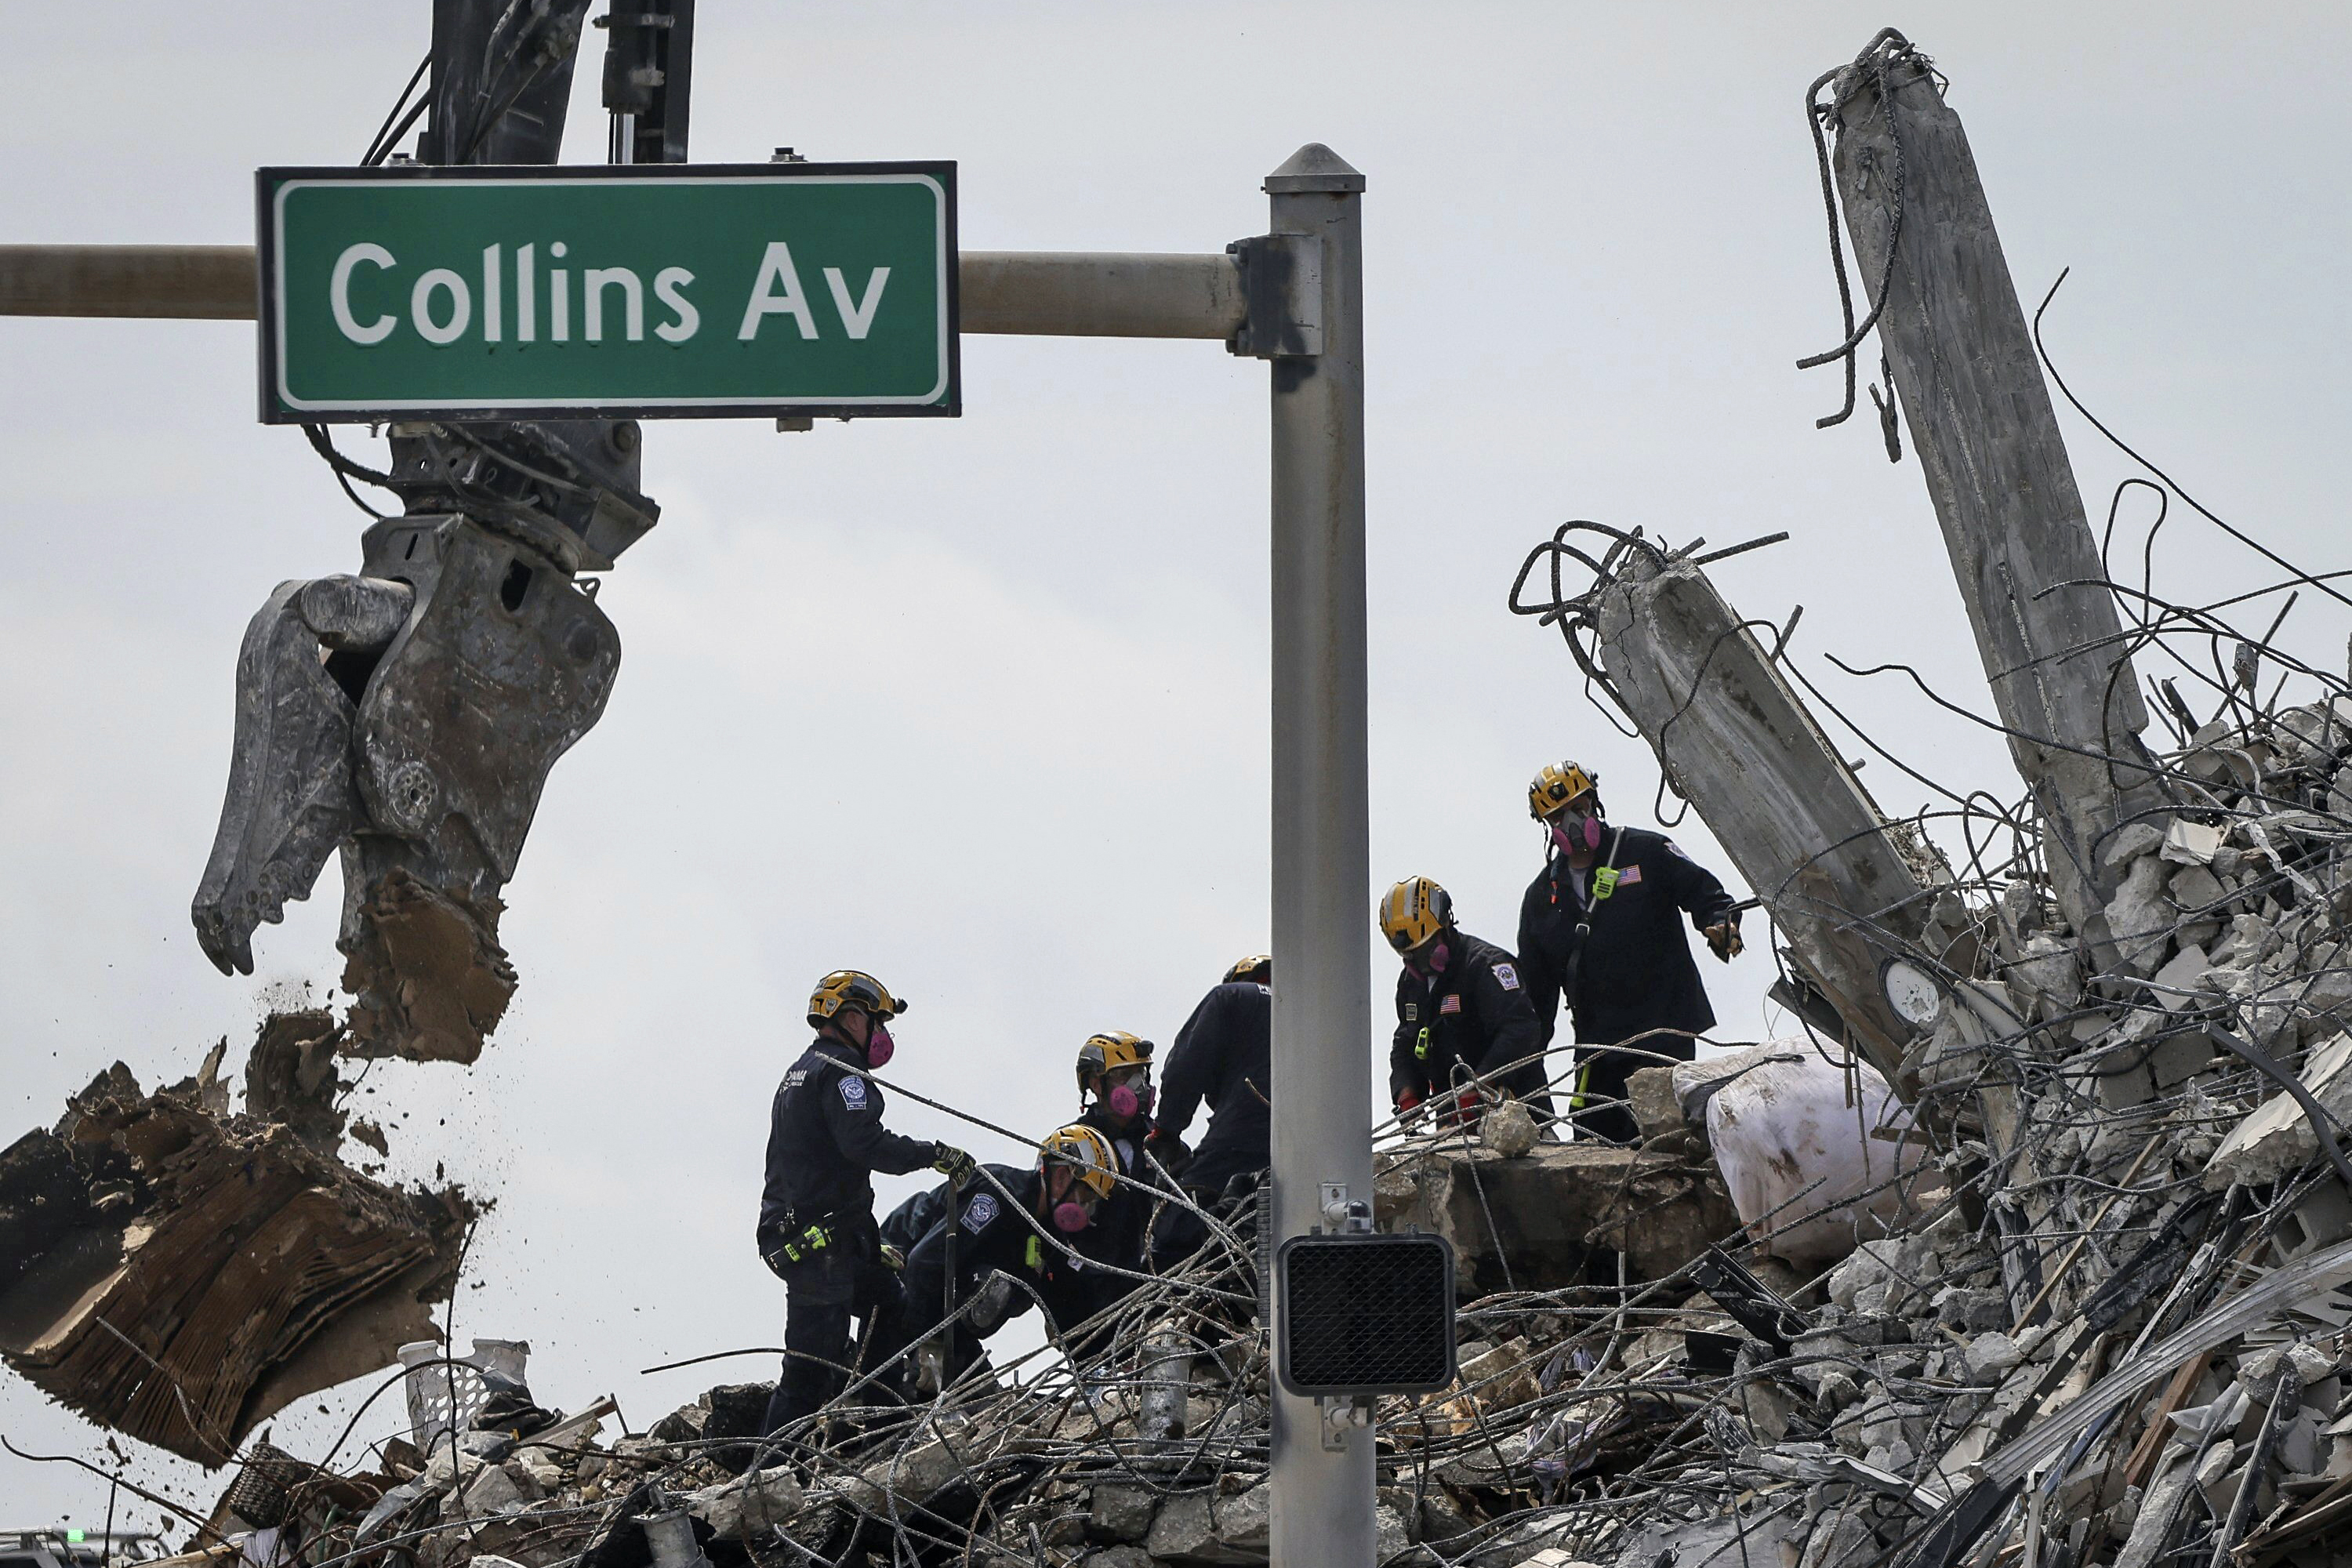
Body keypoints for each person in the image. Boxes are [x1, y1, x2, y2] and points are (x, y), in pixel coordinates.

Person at [757, 969, 975, 1441]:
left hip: (822, 1238)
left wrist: (869, 1248)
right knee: (809, 1371)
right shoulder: (842, 1075)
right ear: (853, 1018)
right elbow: (865, 1146)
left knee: (889, 1301)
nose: (883, 1035)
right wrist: (932, 1154)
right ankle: (769, 1471)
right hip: (818, 1248)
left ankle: (882, 1428)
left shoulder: (802, 1071)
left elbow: (826, 1175)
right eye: (879, 1022)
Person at [1515, 760, 1743, 1143]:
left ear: (1594, 803)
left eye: (1578, 808)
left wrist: (1721, 924)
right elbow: (1537, 1003)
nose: (1571, 823)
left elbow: (1706, 895)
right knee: (1593, 1150)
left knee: (1665, 1147)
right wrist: (1523, 1076)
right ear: (1547, 826)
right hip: (1598, 1049)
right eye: (1557, 817)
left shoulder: (1645, 851)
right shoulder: (1541, 899)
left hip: (1661, 1034)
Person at [895, 1125, 1123, 1390]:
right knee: (995, 1287)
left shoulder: (1047, 1237)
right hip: (900, 1288)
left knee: (986, 1401)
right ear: (1062, 1176)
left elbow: (1069, 1308)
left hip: (948, 1326)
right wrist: (927, 1345)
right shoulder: (997, 1195)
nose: (1086, 1210)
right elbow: (924, 1264)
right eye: (1086, 1196)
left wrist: (1100, 1366)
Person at [1379, 877, 1549, 1123]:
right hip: (1454, 1121)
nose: (1419, 964)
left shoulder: (1486, 966)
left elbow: (1521, 1030)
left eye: (1425, 951)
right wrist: (1406, 1094)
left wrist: (1479, 1084)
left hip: (1521, 1116)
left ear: (1445, 925)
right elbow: (1406, 1043)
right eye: (1410, 956)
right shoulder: (1411, 984)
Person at [1145, 956, 1272, 1271]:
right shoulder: (1314, 1014)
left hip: (1241, 1137)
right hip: (1314, 1152)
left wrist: (1167, 1131)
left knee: (1174, 1229)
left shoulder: (1229, 996)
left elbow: (1187, 1065)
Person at [1073, 1032, 1158, 1285]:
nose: (1137, 1084)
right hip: (1087, 1288)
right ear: (1096, 1084)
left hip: (1152, 1286)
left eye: (1141, 1073)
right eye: (1124, 1075)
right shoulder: (1070, 1146)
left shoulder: (1163, 1144)